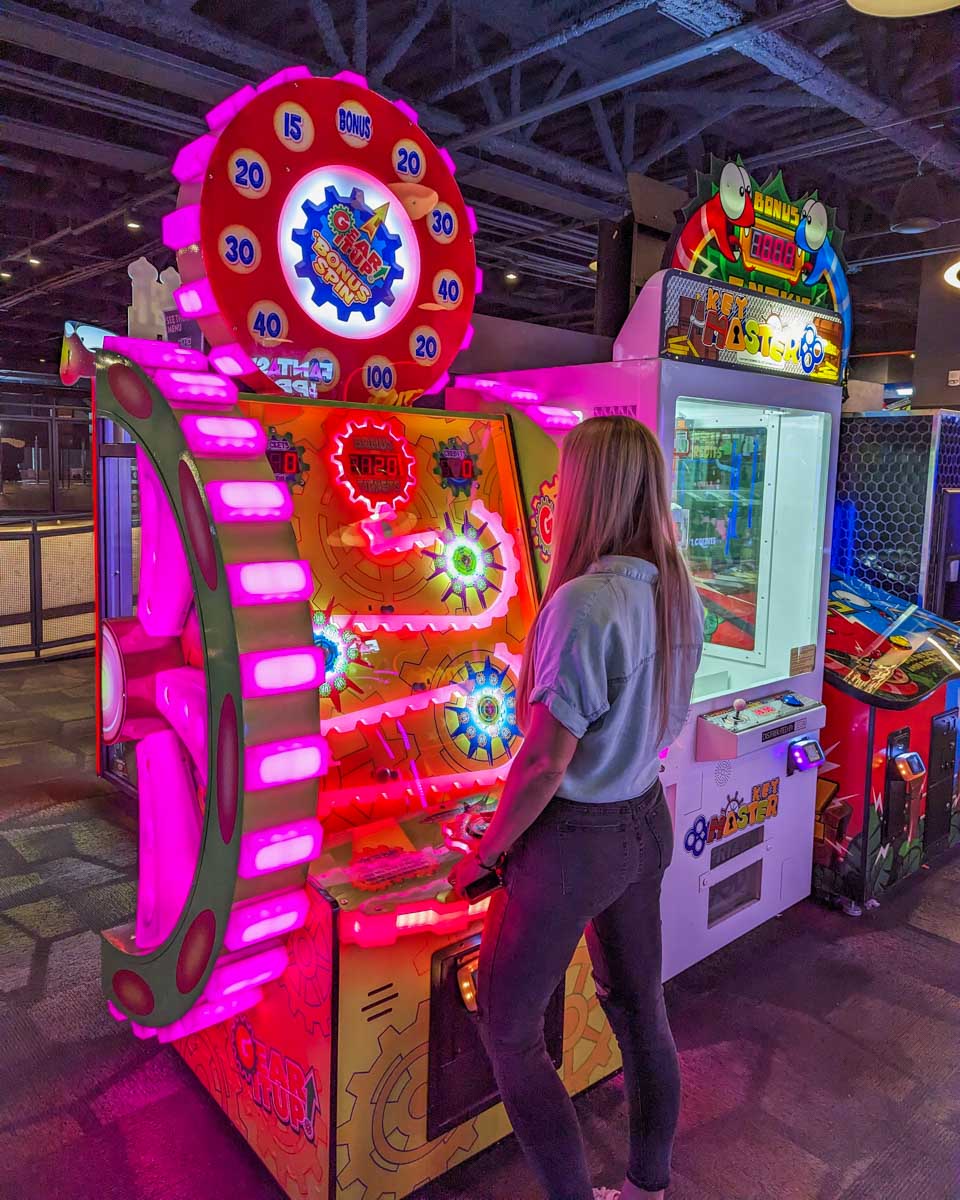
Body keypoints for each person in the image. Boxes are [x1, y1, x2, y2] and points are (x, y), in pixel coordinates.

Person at [451, 415, 704, 1200]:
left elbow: (542, 763)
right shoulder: (679, 591)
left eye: (569, 477)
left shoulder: (584, 603)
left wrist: (486, 850)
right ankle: (647, 1187)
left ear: (592, 489)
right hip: (643, 818)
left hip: (573, 841)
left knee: (508, 1029)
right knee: (640, 1012)